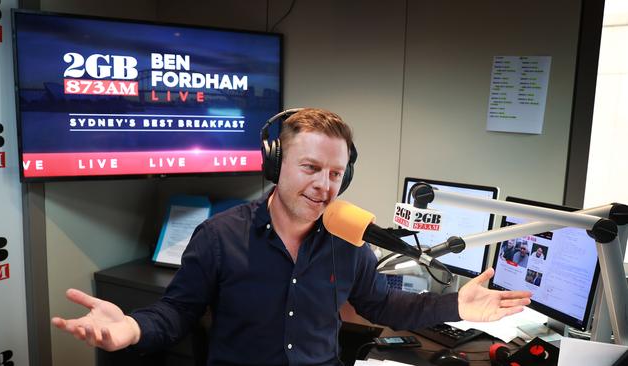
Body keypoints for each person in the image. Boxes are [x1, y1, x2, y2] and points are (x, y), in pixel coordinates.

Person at [52, 108, 532, 365]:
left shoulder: (350, 241)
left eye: (335, 172)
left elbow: (383, 306)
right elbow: (177, 312)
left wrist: (459, 307)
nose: (324, 185)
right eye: (310, 167)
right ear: (275, 165)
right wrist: (131, 328)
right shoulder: (219, 236)